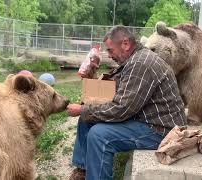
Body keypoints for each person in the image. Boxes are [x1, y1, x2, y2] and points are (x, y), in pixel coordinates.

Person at [66, 26, 187, 180]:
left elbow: (121, 108)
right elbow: (111, 89)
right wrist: (92, 75)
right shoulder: (135, 59)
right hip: (145, 118)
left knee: (99, 135)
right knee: (86, 119)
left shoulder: (141, 63)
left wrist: (82, 109)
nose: (109, 56)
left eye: (110, 50)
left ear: (125, 44)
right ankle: (83, 171)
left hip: (162, 130)